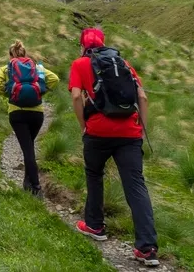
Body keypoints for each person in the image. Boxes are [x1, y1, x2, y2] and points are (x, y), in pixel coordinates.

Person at [70, 27, 160, 268]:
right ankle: (147, 247)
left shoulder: (79, 64)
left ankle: (95, 225)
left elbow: (77, 96)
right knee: (136, 186)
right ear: (103, 43)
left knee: (94, 174)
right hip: (129, 133)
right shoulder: (123, 62)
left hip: (97, 131)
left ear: (83, 45)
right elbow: (142, 97)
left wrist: (83, 126)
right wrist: (141, 126)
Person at [0, 40, 59, 197]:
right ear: (25, 53)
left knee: (28, 151)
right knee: (29, 147)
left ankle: (36, 187)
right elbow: (54, 78)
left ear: (10, 55)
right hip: (37, 113)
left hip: (17, 113)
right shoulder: (37, 68)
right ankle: (28, 183)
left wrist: (8, 94)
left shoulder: (7, 68)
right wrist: (41, 92)